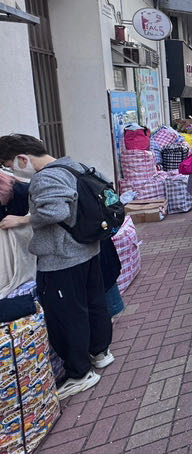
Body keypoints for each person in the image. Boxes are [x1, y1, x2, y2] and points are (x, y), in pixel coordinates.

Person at [0, 134, 115, 399]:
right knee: (94, 303)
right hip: (88, 248)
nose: (11, 171)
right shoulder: (76, 166)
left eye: (8, 165)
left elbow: (56, 212)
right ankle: (100, 353)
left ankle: (80, 373)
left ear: (22, 159)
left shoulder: (45, 177)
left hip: (61, 258)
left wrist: (23, 219)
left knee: (67, 316)